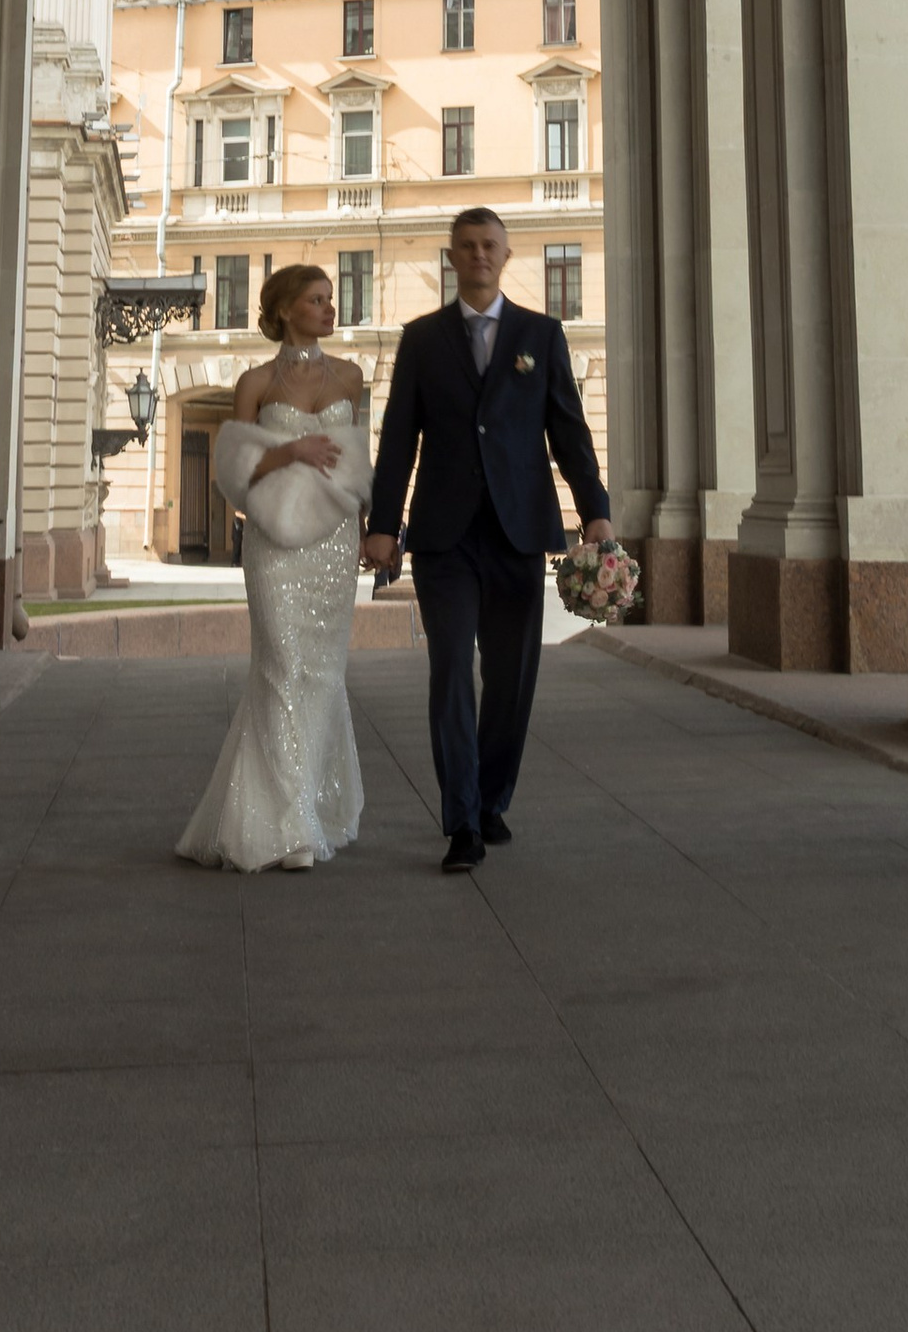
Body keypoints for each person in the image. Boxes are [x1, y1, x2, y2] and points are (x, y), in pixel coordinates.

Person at [364, 206, 617, 872]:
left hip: (518, 533)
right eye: (467, 246)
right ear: (451, 258)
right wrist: (384, 526)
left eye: (489, 246)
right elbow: (397, 441)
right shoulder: (421, 340)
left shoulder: (542, 334)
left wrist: (595, 511)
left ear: (506, 256)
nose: (478, 255)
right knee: (451, 671)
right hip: (444, 538)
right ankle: (461, 822)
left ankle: (492, 797)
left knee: (511, 679)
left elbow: (568, 432)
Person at [175, 263, 369, 873]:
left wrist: (369, 531)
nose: (329, 310)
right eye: (316, 300)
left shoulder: (352, 376)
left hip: (335, 544)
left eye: (330, 300)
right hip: (273, 547)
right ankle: (289, 827)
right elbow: (235, 473)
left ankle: (307, 808)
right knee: (282, 668)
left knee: (322, 674)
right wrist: (289, 449)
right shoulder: (254, 382)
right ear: (285, 309)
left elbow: (359, 465)